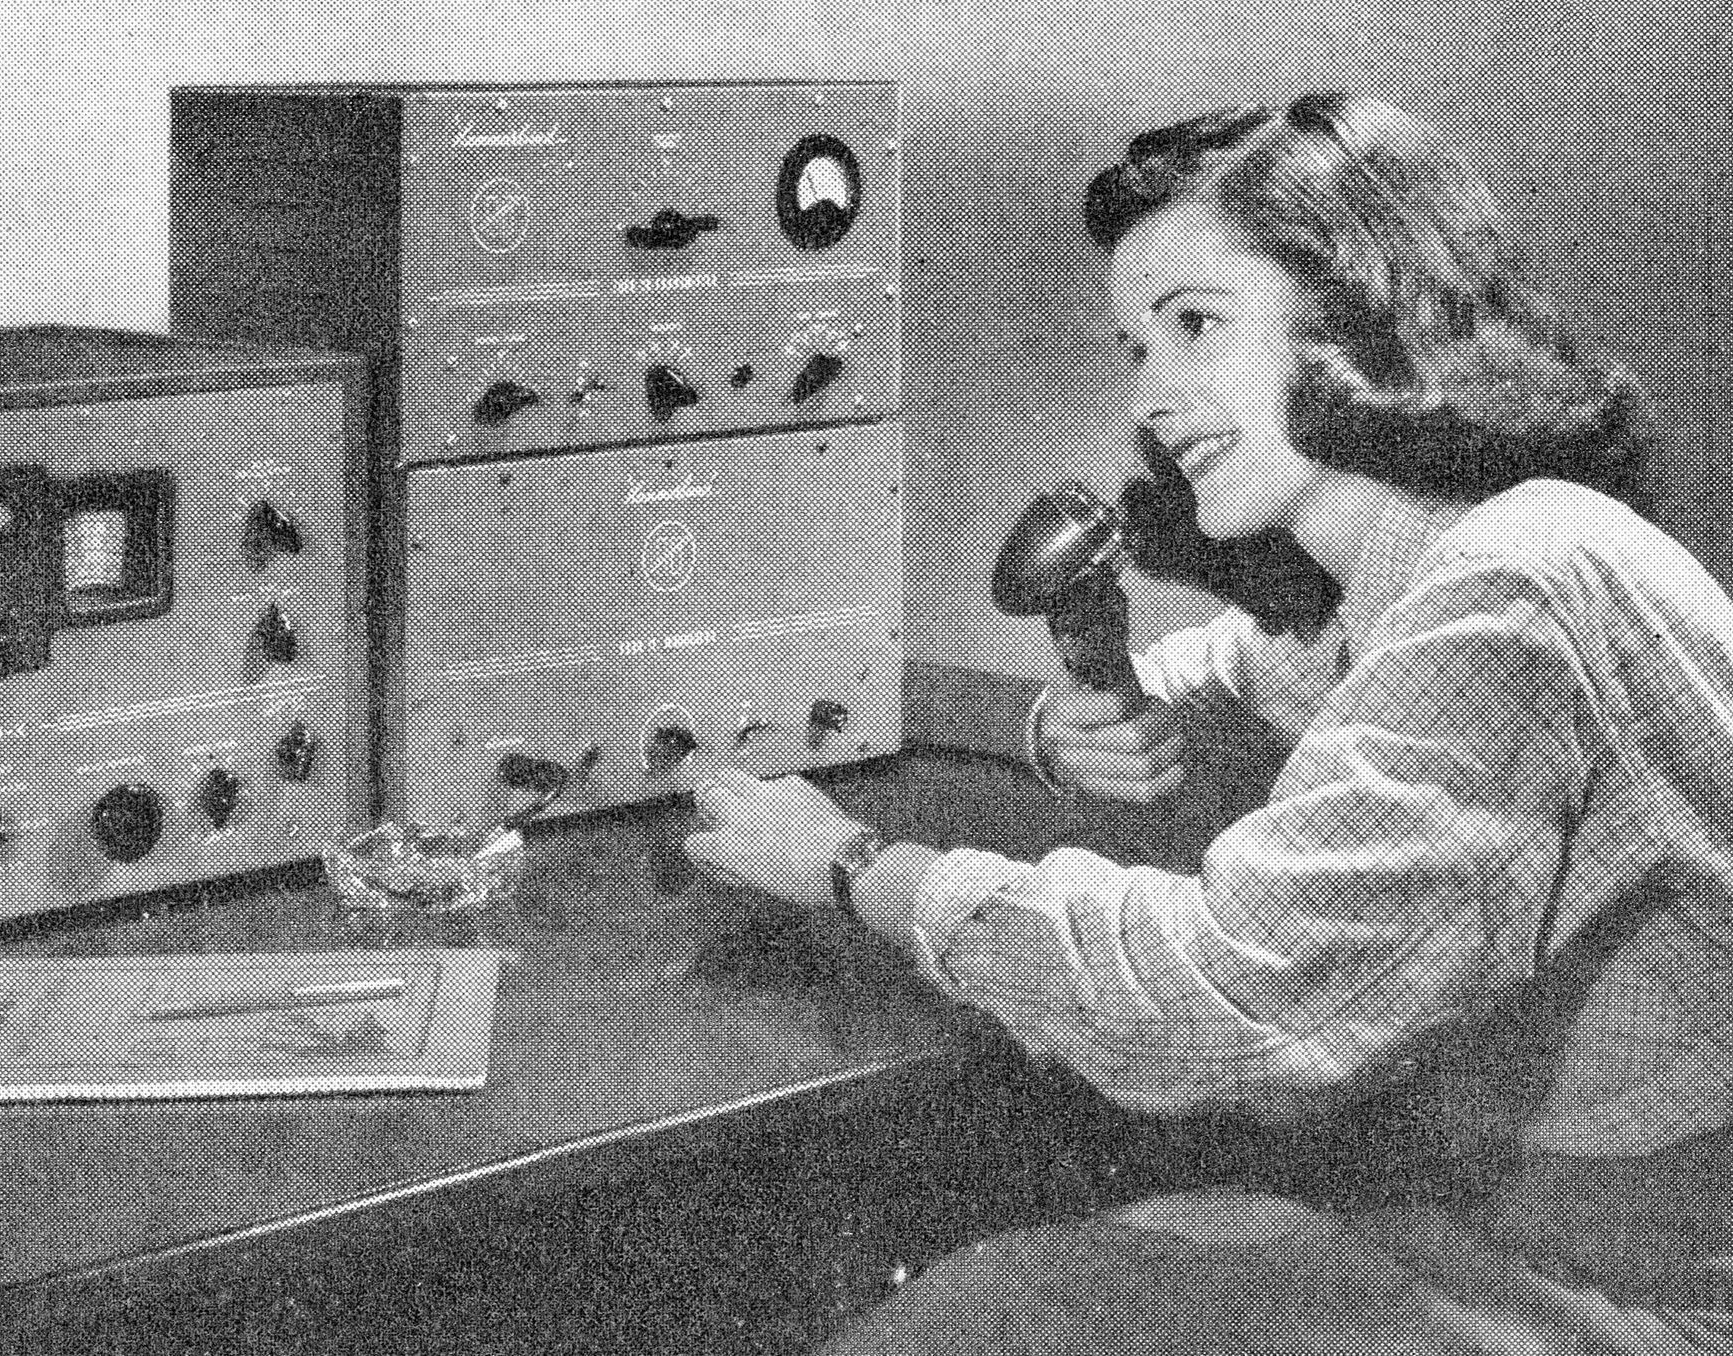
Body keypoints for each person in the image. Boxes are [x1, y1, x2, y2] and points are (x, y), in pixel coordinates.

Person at [684, 92, 1733, 1352]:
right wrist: (1064, 724)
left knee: (973, 1320)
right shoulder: (1440, 561)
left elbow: (1231, 1001)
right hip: (1505, 1220)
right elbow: (1237, 668)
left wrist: (854, 865)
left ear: (1356, 310)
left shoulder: (1514, 583)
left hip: (1642, 1294)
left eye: (1195, 325)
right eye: (1137, 348)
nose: (1153, 398)